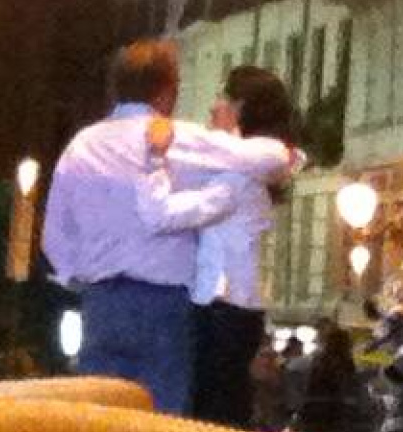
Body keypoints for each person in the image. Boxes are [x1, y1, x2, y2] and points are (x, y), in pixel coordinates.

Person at [42, 39, 298, 414]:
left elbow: (55, 236)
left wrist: (78, 277)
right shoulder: (179, 139)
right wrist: (239, 139)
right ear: (167, 91)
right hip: (163, 304)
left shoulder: (82, 146)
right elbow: (270, 157)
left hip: (101, 302)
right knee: (160, 415)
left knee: (99, 415)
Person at [136, 65, 306, 426]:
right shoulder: (252, 171)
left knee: (210, 413)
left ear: (240, 108)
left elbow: (161, 214)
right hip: (235, 307)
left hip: (222, 307)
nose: (213, 107)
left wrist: (154, 162)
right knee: (224, 408)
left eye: (223, 97)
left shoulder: (236, 181)